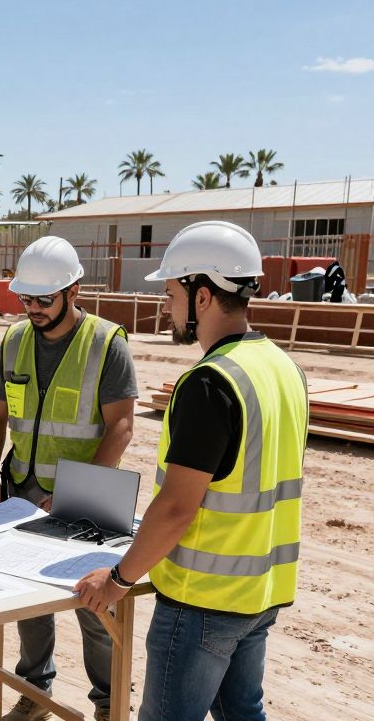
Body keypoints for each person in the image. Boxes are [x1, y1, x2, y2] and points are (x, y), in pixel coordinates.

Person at [75, 220, 307, 721]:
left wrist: (117, 579)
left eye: (171, 293)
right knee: (242, 713)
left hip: (203, 603)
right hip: (260, 594)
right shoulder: (285, 368)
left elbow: (178, 506)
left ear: (203, 295)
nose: (166, 306)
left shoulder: (210, 383)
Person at [0, 236, 138, 721]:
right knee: (27, 601)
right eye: (26, 298)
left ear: (73, 290)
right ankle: (34, 692)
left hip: (88, 503)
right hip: (22, 491)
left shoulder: (106, 343)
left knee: (95, 606)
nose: (33, 308)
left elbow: (121, 426)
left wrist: (75, 494)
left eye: (44, 299)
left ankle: (109, 706)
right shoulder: (15, 340)